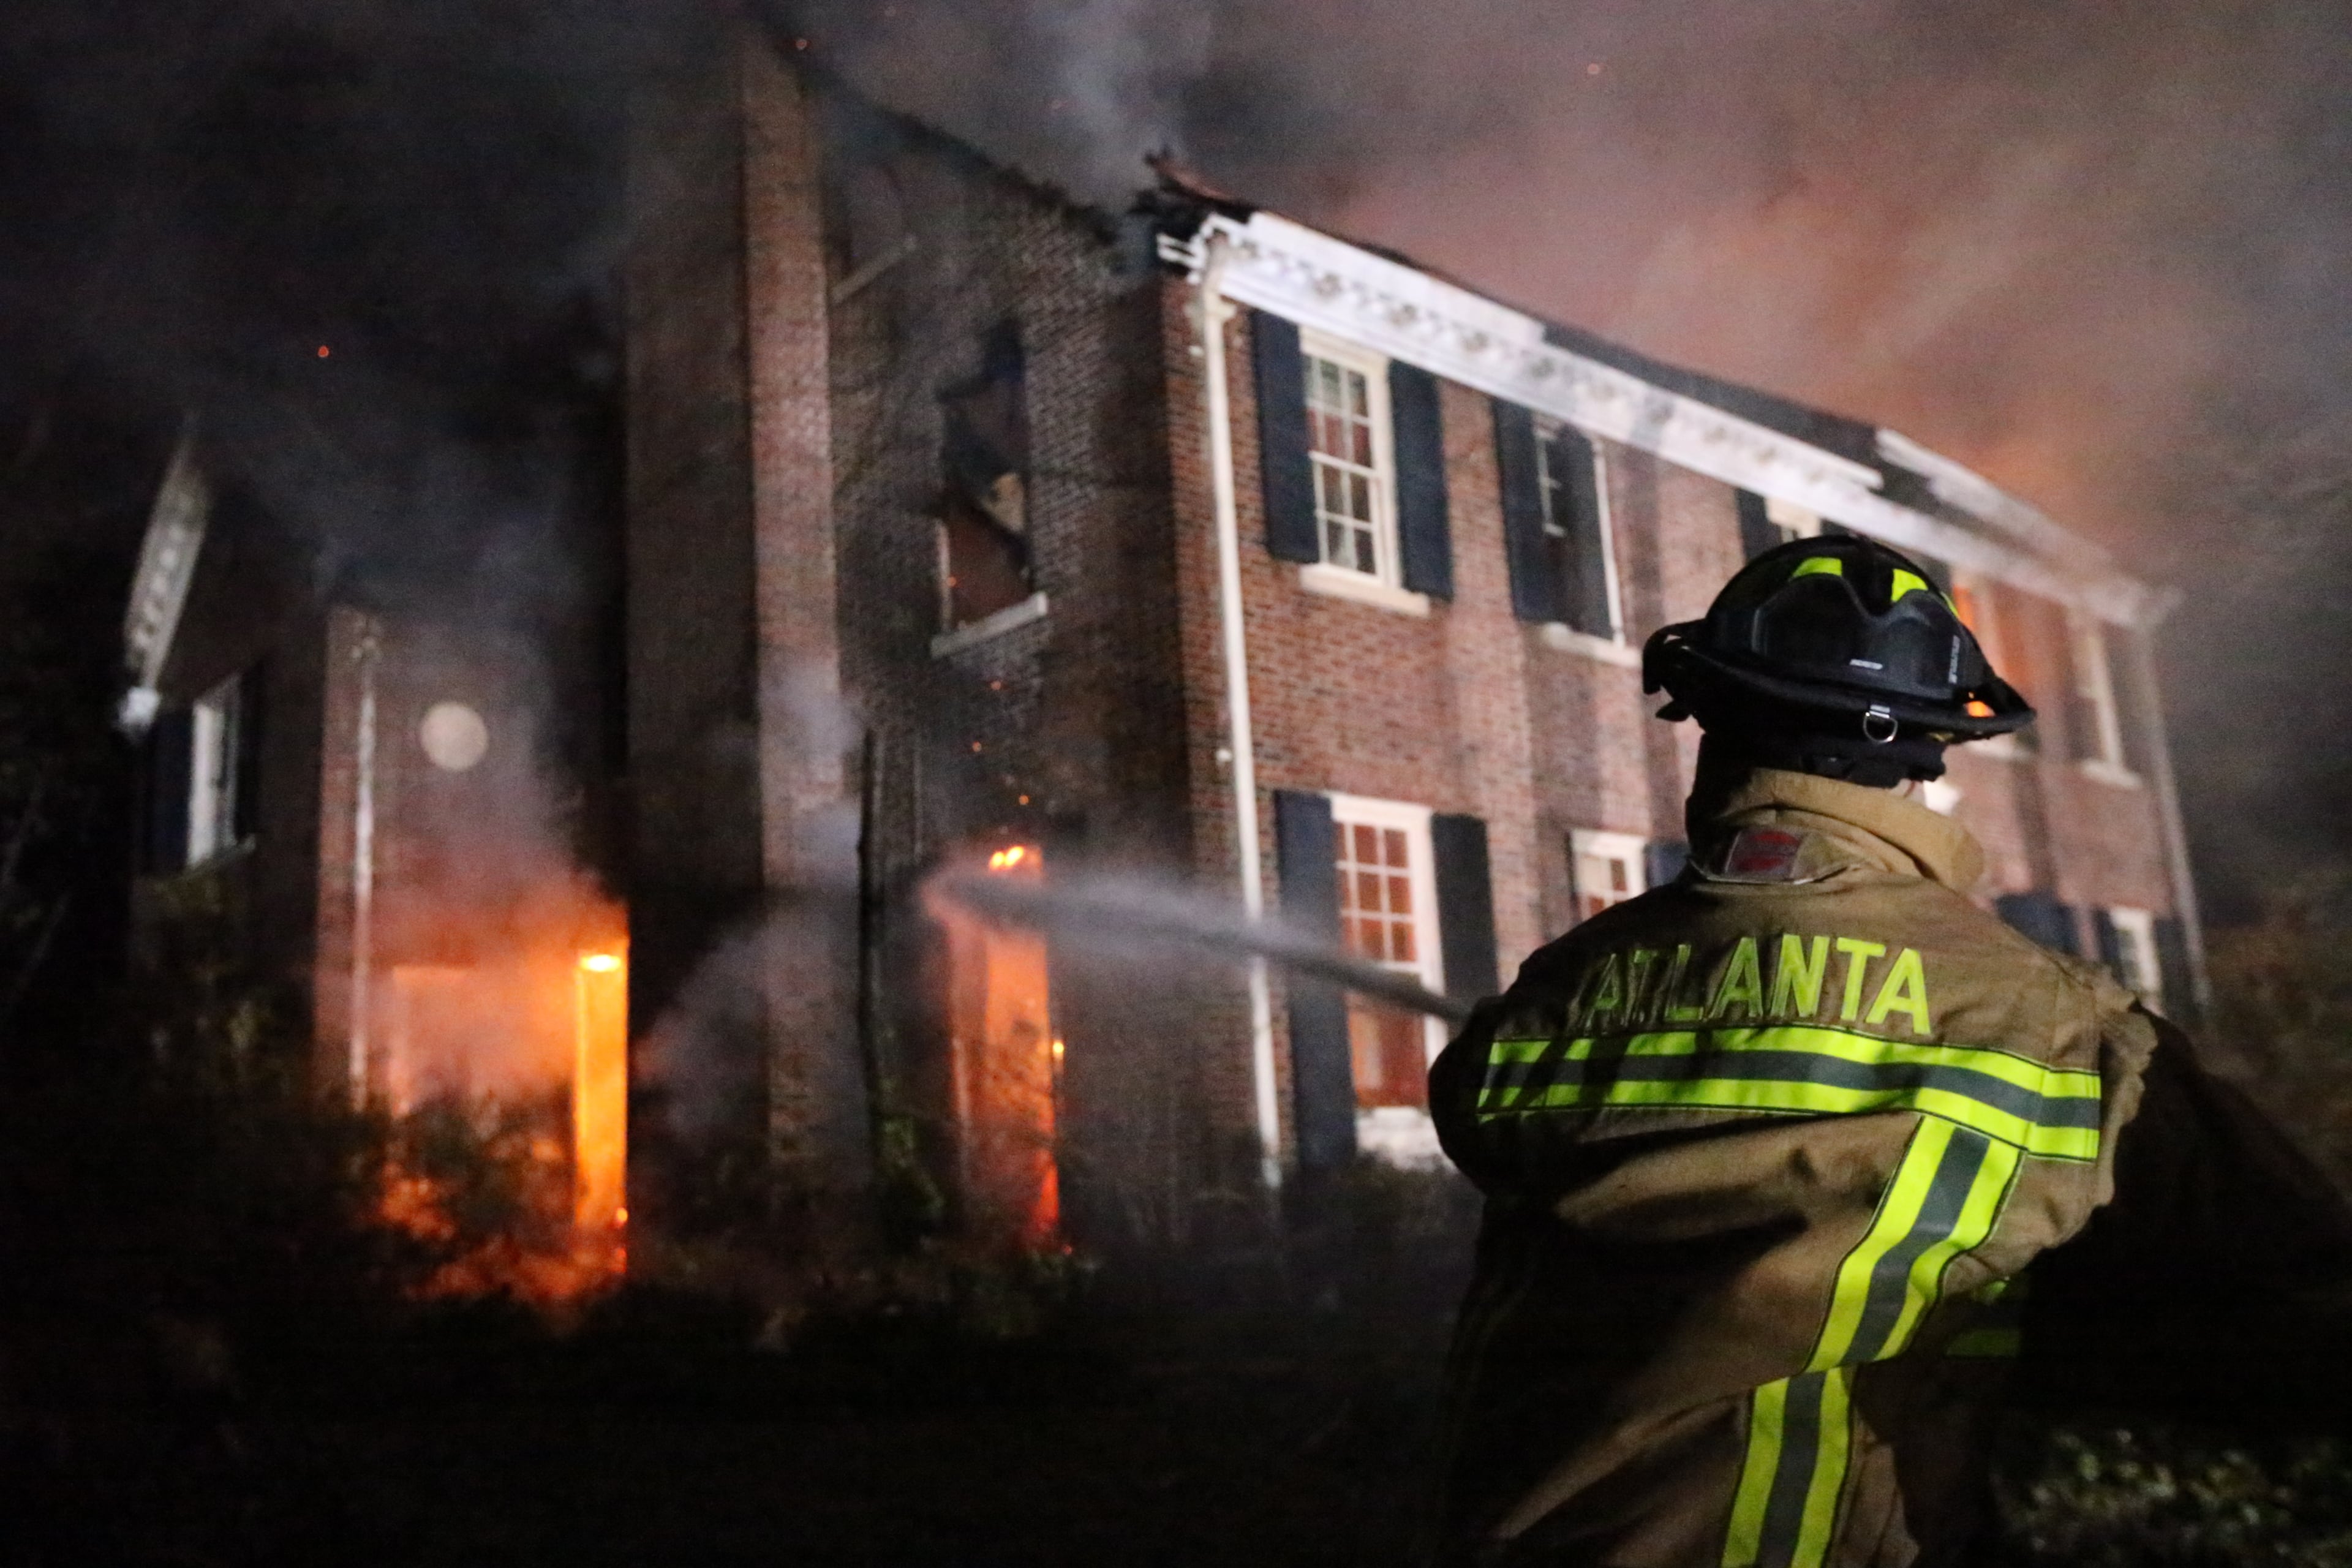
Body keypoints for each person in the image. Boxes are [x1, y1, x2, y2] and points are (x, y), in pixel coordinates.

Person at [1423, 534, 2352, 1567]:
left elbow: (1475, 1110)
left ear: (1711, 728)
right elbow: (2298, 1288)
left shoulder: (1553, 993)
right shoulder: (2052, 1020)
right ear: (1925, 762)